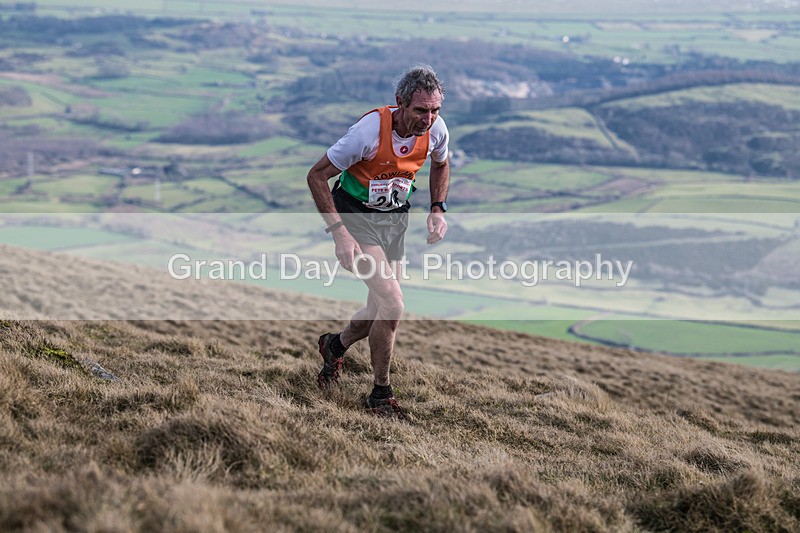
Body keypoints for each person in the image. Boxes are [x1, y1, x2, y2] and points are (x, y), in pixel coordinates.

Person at [306, 64, 450, 419]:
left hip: (394, 219)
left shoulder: (436, 130)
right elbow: (317, 176)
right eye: (420, 110)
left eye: (434, 110)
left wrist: (437, 207)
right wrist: (338, 233)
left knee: (378, 310)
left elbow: (442, 163)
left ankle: (334, 345)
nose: (428, 118)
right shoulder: (368, 131)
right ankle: (380, 395)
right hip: (356, 217)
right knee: (394, 304)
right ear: (399, 102)